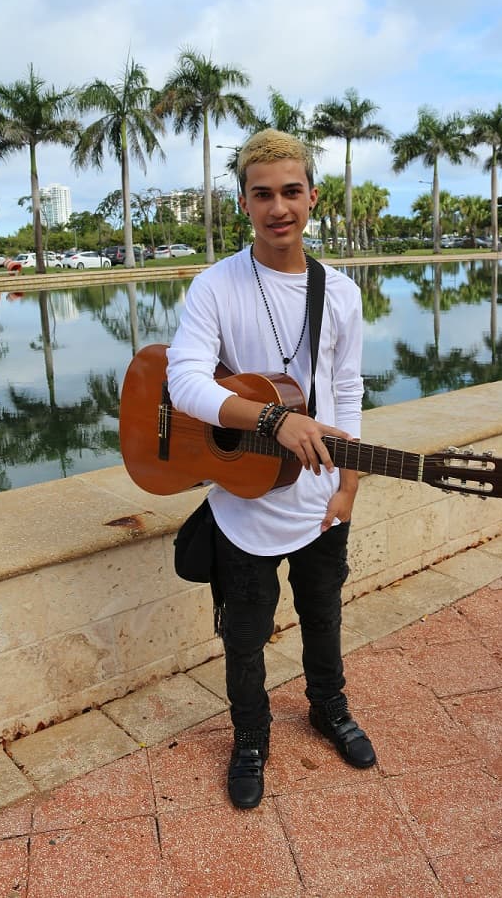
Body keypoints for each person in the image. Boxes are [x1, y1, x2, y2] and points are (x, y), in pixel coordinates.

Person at [166, 128, 376, 809]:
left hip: (319, 504)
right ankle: (251, 735)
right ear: (244, 203)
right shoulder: (215, 285)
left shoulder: (339, 293)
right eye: (263, 194)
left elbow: (348, 390)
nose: (278, 206)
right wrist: (270, 420)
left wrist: (347, 484)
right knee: (246, 636)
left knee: (323, 616)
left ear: (313, 197)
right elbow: (183, 384)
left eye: (291, 191)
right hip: (241, 503)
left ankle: (328, 708)